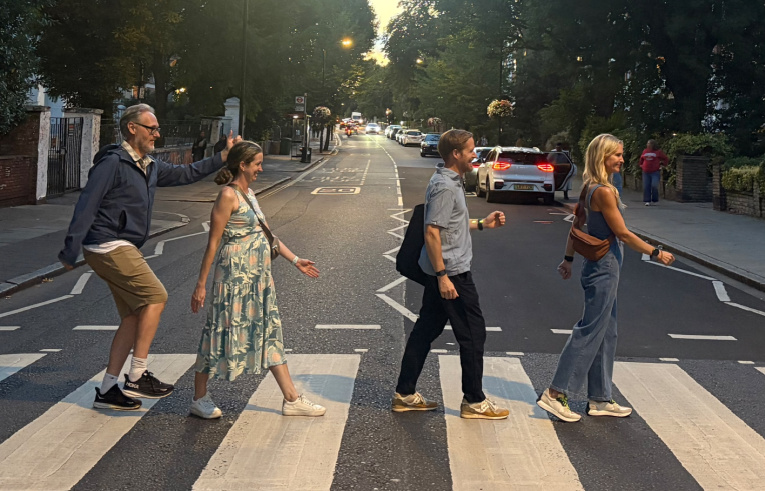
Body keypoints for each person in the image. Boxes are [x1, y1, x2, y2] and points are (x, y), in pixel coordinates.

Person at [58, 103, 237, 411]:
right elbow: (88, 201)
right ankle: (137, 375)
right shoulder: (113, 163)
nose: (157, 134)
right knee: (156, 296)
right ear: (132, 128)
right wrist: (70, 247)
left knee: (134, 315)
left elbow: (186, 173)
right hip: (108, 243)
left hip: (122, 245)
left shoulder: (149, 165)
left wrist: (223, 156)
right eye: (151, 129)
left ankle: (107, 390)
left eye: (157, 129)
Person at [537, 134, 675, 422]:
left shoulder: (589, 187)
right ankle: (555, 393)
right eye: (617, 155)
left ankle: (599, 398)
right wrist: (656, 252)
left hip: (597, 265)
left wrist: (568, 259)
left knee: (607, 332)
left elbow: (576, 226)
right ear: (603, 157)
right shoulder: (604, 192)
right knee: (589, 330)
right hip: (604, 266)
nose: (622, 159)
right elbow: (622, 233)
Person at [189, 141, 325, 418]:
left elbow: (268, 235)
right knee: (219, 332)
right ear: (243, 165)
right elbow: (213, 243)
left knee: (269, 331)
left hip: (258, 279)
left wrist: (295, 260)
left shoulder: (249, 194)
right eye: (257, 164)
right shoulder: (227, 196)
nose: (261, 169)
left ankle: (291, 398)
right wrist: (201, 284)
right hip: (233, 279)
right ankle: (199, 398)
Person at [392, 129, 510, 420]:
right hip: (452, 273)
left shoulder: (451, 181)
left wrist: (482, 224)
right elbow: (432, 231)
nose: (475, 154)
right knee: (473, 334)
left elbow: (450, 224)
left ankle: (405, 393)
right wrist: (443, 276)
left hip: (444, 270)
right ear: (456, 154)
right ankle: (474, 401)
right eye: (470, 150)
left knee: (425, 331)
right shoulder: (445, 186)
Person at [639, 139, 669, 206]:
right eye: (647, 143)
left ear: (653, 145)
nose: (648, 145)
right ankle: (647, 200)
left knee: (654, 185)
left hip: (655, 172)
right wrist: (641, 165)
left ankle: (655, 199)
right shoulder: (645, 151)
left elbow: (665, 158)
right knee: (646, 186)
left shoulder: (658, 152)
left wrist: (663, 165)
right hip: (646, 172)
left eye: (649, 143)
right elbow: (641, 158)